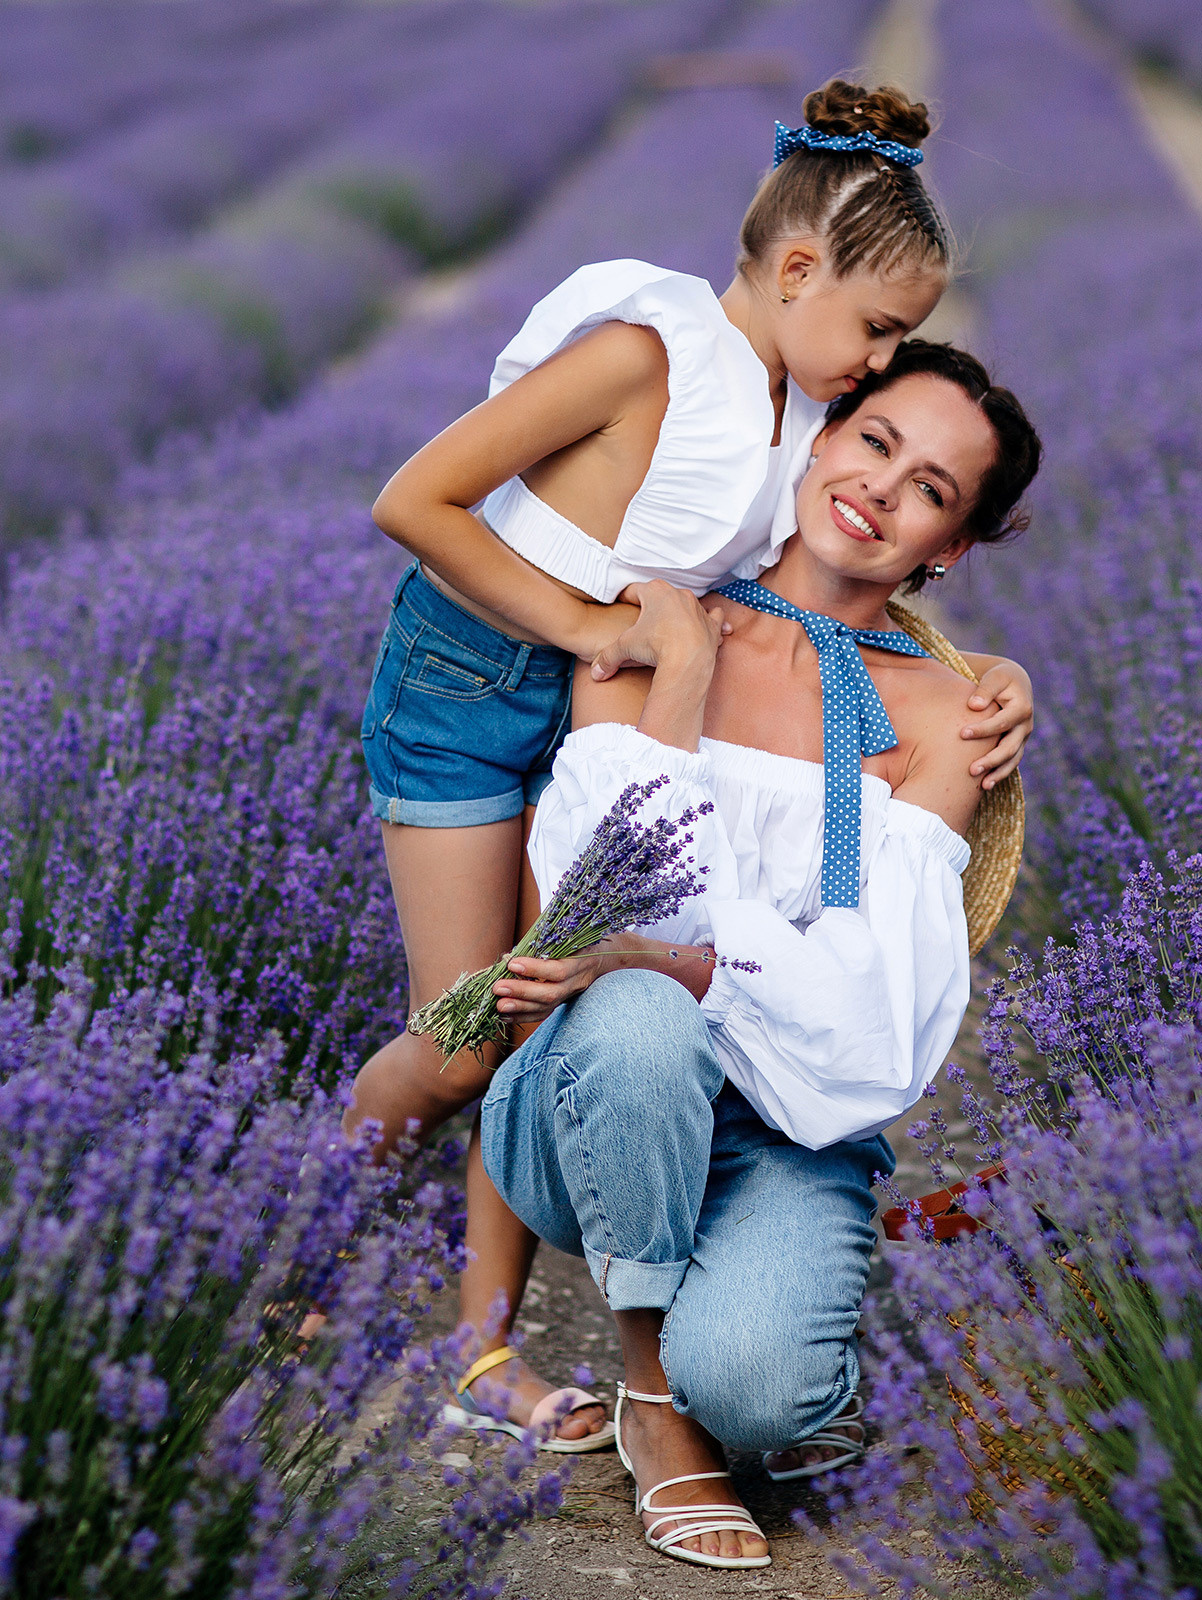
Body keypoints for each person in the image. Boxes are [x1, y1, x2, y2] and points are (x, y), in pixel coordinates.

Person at [349, 82, 1040, 1449]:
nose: (885, 359)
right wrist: (596, 628)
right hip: (471, 686)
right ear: (797, 273)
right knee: (465, 1032)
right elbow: (409, 500)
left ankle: (479, 1353)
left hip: (598, 693)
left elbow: (833, 571)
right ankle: (293, 1225)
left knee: (532, 1018)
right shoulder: (647, 351)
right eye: (882, 330)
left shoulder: (796, 405)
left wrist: (978, 672)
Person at [473, 342, 1041, 1568]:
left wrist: (675, 954)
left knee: (765, 1393)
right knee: (634, 1014)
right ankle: (654, 1402)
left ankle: (764, 1365)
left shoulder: (951, 716)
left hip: (793, 1124)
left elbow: (870, 1015)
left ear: (947, 548)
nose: (884, 489)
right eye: (876, 443)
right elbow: (591, 904)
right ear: (821, 442)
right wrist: (681, 684)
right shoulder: (652, 623)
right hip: (584, 1099)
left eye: (933, 491)